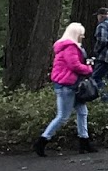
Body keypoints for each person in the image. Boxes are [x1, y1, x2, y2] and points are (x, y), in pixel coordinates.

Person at [37, 23, 95, 156]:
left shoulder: (71, 47)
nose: (83, 37)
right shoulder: (70, 47)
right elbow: (74, 65)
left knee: (82, 112)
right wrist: (89, 69)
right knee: (63, 116)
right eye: (81, 34)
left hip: (73, 85)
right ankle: (42, 141)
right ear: (76, 34)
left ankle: (84, 141)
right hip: (67, 85)